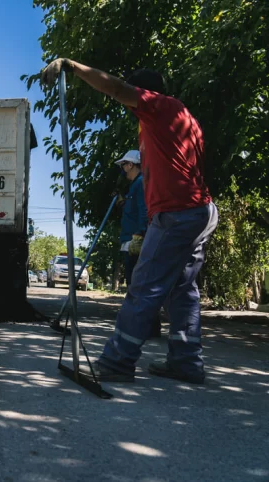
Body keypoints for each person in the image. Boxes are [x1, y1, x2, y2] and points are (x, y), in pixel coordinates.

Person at [41, 60, 217, 384]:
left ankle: (119, 361)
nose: (129, 106)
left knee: (144, 285)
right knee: (181, 290)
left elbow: (118, 88)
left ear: (146, 93)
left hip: (177, 213)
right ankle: (186, 362)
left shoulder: (160, 107)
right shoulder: (185, 119)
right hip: (198, 210)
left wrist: (72, 67)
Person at [114, 150, 160, 338]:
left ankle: (144, 327)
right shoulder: (135, 186)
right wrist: (124, 203)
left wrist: (140, 235)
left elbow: (144, 210)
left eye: (124, 165)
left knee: (138, 285)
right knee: (137, 284)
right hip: (130, 240)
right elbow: (135, 209)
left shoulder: (140, 183)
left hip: (135, 241)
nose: (123, 169)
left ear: (131, 164)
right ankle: (147, 327)